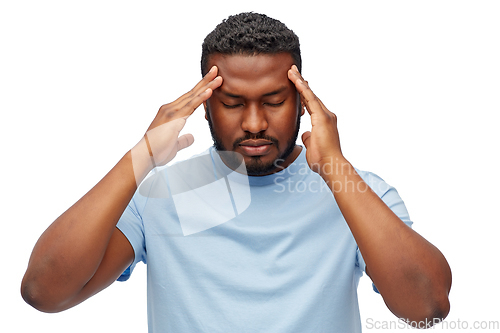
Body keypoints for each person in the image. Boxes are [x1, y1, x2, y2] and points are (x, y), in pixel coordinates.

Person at [21, 12, 452, 332]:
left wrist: (334, 166)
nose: (253, 123)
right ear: (205, 106)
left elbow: (428, 307)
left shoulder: (355, 193)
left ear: (303, 100)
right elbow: (45, 291)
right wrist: (140, 159)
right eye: (231, 104)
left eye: (273, 101)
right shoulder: (164, 193)